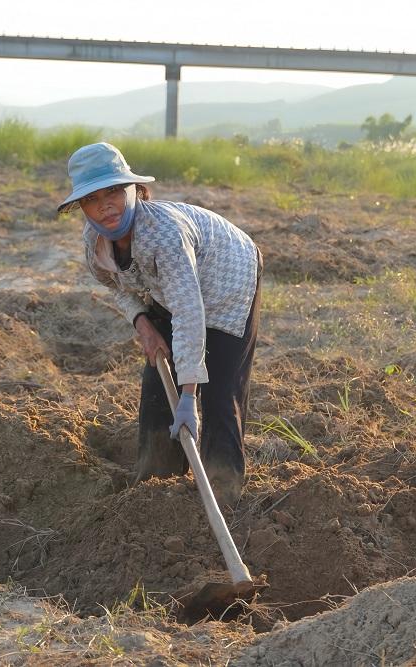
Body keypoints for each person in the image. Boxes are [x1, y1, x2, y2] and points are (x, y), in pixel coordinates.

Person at [58, 142, 262, 507]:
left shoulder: (164, 235)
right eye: (92, 199)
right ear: (81, 208)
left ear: (135, 192)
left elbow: (189, 312)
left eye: (114, 192)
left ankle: (223, 492)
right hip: (168, 288)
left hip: (228, 276)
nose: (105, 205)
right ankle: (154, 485)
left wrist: (188, 397)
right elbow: (117, 288)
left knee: (218, 391)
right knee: (157, 386)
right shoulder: (95, 243)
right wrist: (143, 323)